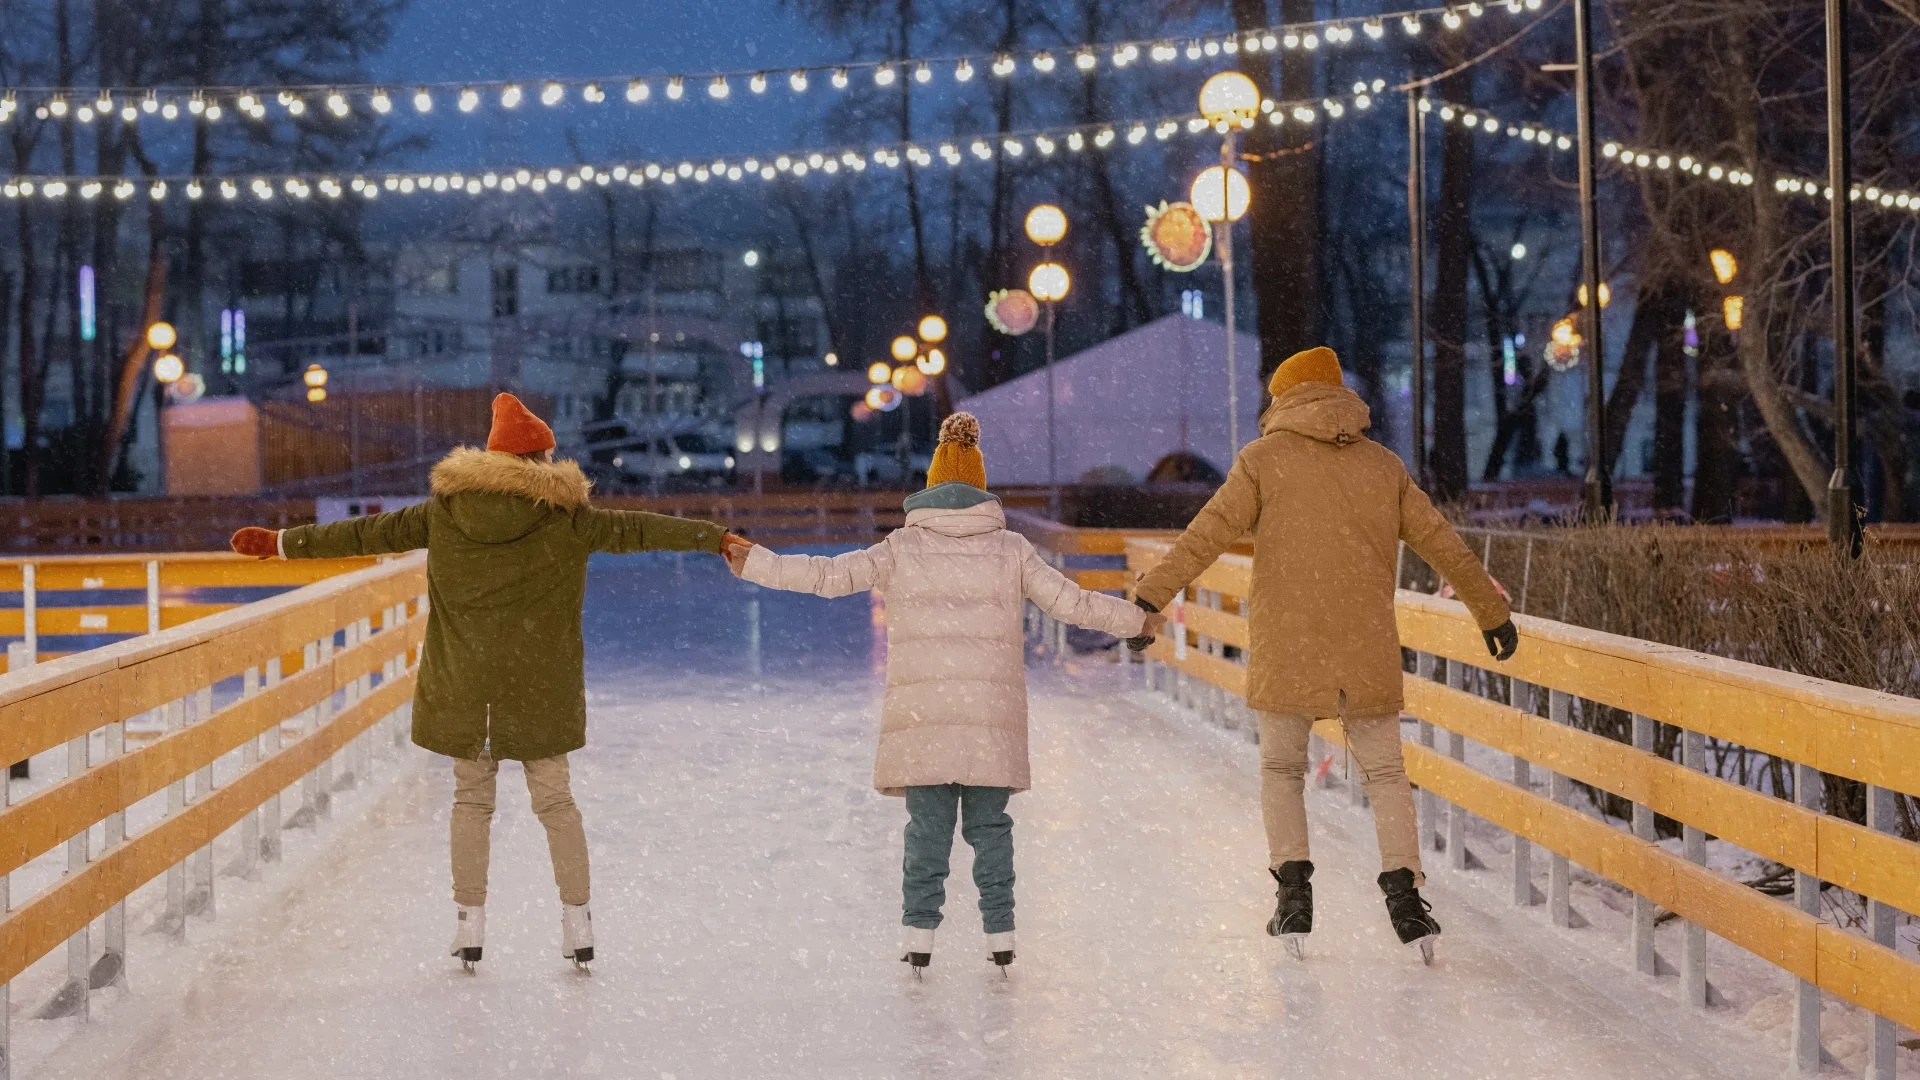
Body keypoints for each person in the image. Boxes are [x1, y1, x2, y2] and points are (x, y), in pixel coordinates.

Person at [229, 393, 742, 973]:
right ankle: (578, 923)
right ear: (544, 459)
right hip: (540, 685)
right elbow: (640, 529)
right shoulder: (568, 519)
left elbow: (363, 534)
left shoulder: (442, 514)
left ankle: (469, 925)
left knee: (471, 802)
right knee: (556, 802)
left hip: (466, 686)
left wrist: (280, 543)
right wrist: (714, 537)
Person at [721, 412, 1165, 976]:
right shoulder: (1011, 550)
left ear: (930, 489)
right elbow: (1073, 604)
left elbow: (827, 576)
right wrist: (1136, 621)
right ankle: (1000, 931)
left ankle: (918, 934)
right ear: (981, 491)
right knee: (990, 829)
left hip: (923, 716)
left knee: (927, 831)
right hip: (987, 718)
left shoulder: (901, 548)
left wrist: (756, 562)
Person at [1131, 347, 1517, 962]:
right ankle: (1404, 892)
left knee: (1283, 772)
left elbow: (1204, 536)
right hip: (1364, 648)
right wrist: (1491, 613)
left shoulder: (1262, 462)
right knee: (1386, 774)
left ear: (1284, 400)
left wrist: (1150, 597)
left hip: (1288, 645)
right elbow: (1443, 544)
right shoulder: (1382, 467)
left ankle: (1293, 895)